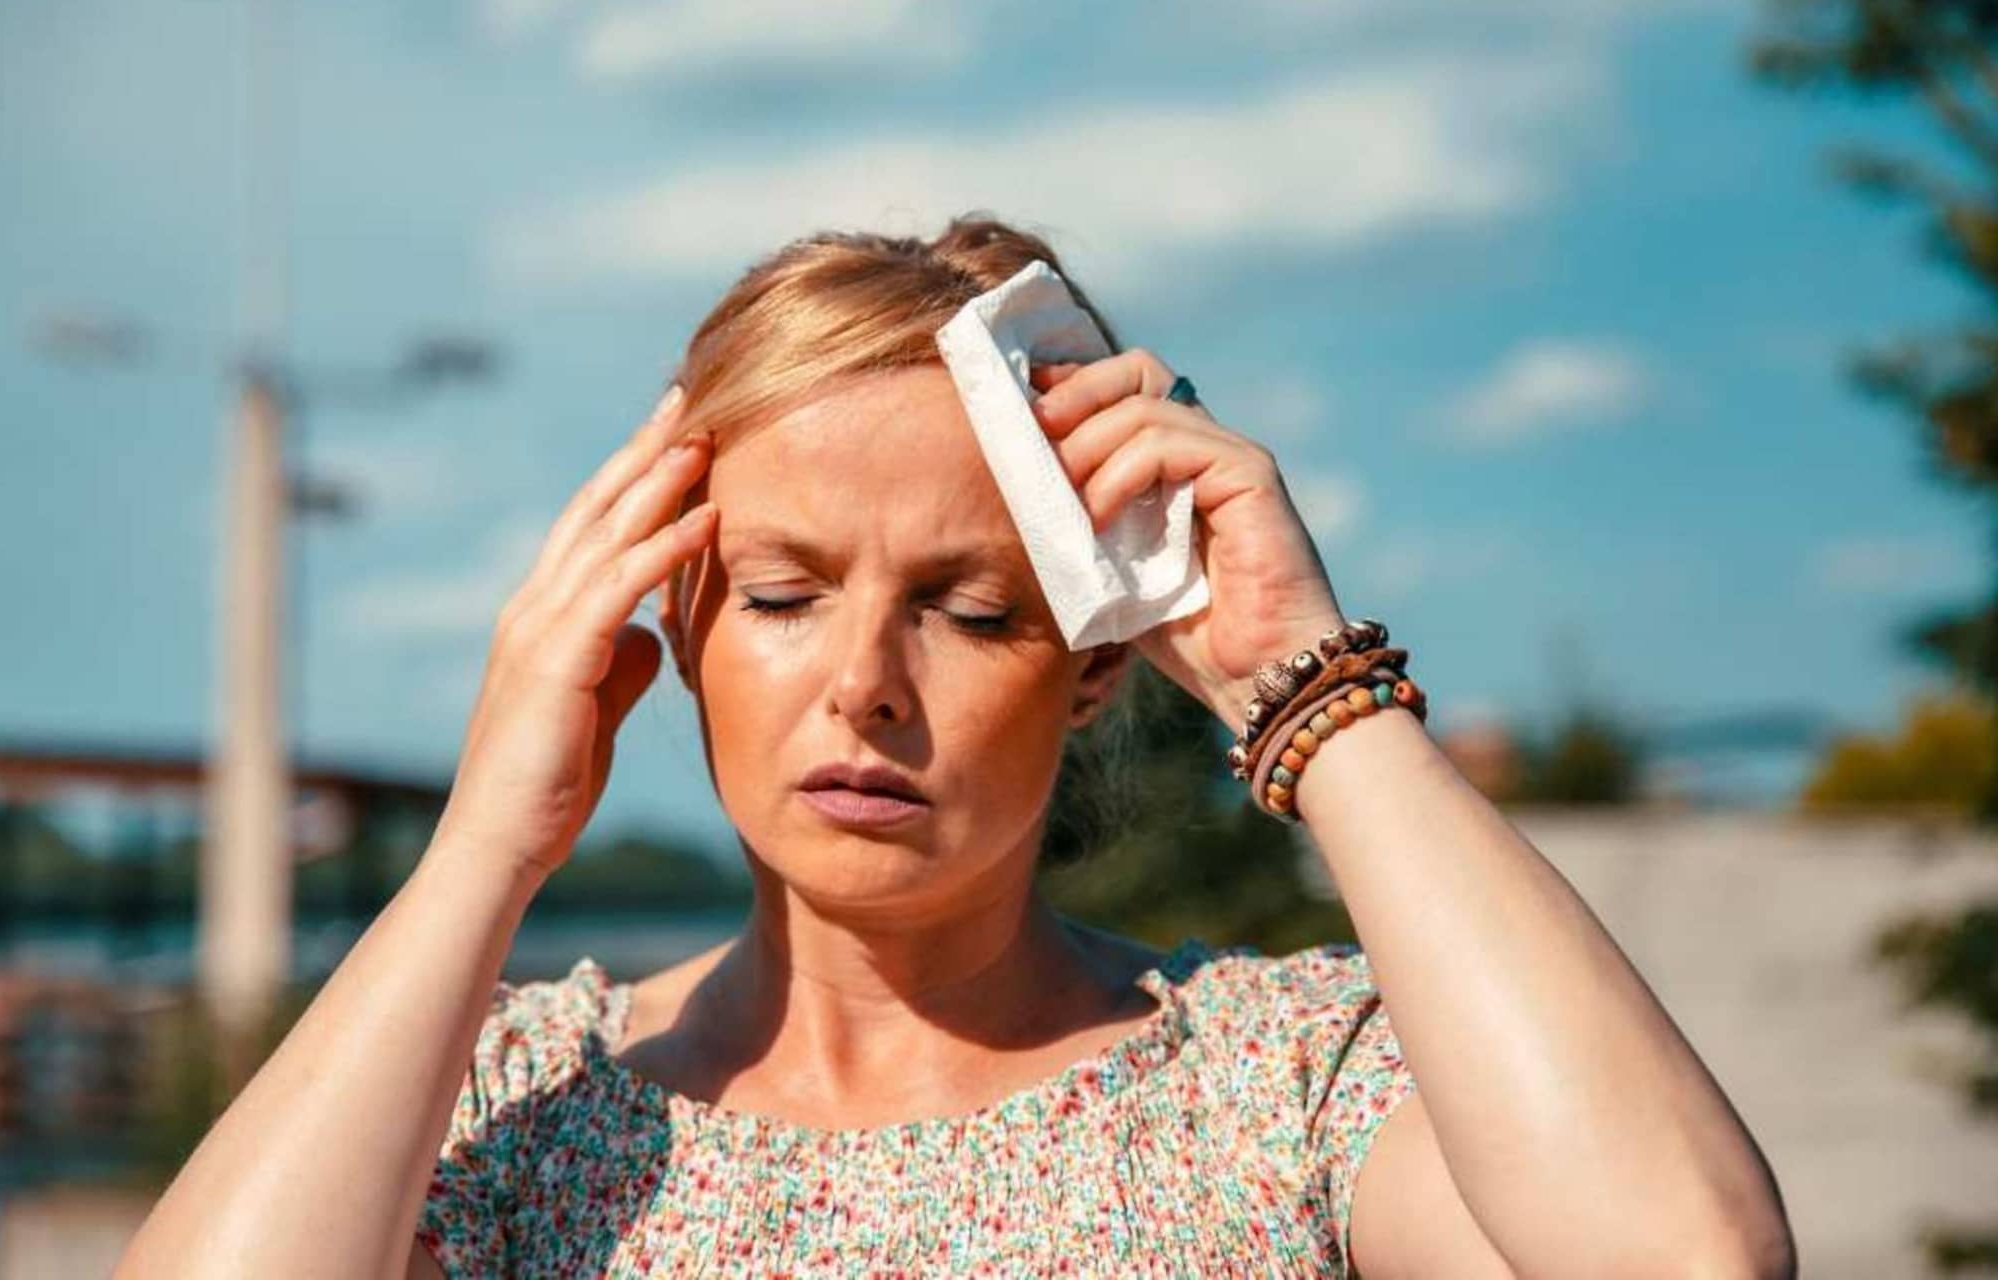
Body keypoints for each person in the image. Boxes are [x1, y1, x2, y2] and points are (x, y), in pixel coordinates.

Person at [116, 215, 1795, 1278]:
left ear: (1088, 667)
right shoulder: (503, 1118)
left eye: (973, 611)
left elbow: (1685, 1257)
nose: (865, 682)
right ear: (674, 617)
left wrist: (1308, 681)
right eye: (780, 594)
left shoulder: (1279, 1091)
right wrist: (491, 837)